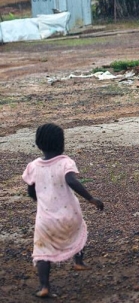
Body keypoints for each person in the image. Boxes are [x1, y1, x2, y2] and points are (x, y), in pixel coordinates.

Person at [22, 123, 104, 298]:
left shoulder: (34, 166)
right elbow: (72, 181)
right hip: (69, 214)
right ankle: (78, 261)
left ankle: (44, 286)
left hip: (45, 219)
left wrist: (40, 201)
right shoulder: (65, 162)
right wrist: (91, 199)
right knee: (79, 231)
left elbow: (30, 190)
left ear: (39, 144)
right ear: (61, 144)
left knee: (42, 251)